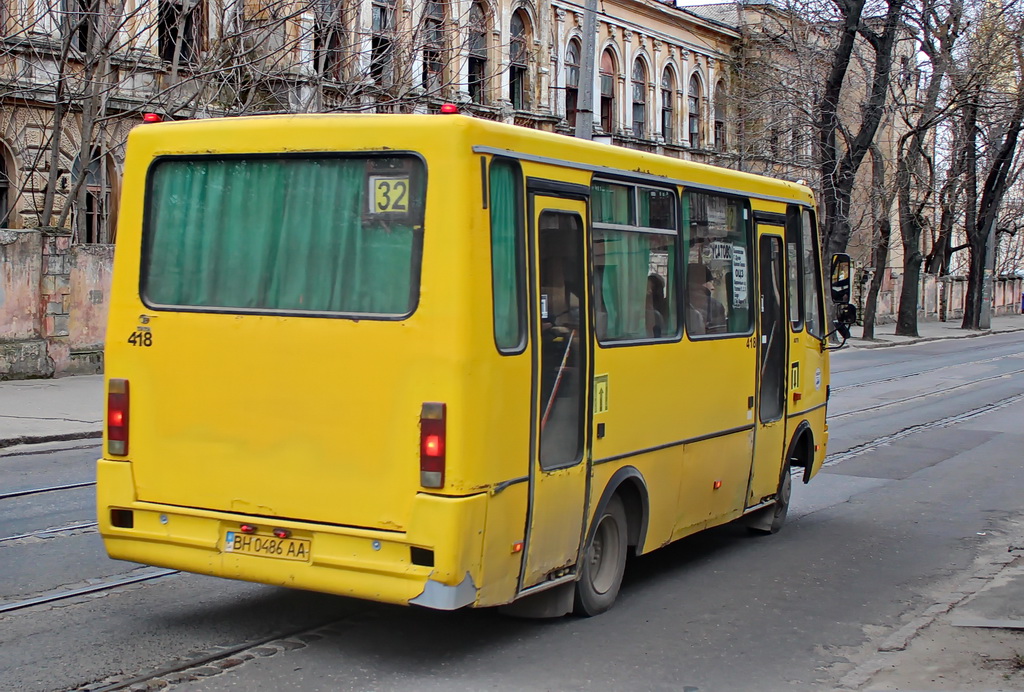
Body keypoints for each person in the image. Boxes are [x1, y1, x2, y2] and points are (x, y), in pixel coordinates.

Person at [688, 263, 727, 334]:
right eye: (709, 282)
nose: (712, 287)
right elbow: (720, 333)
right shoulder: (715, 305)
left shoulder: (670, 304)